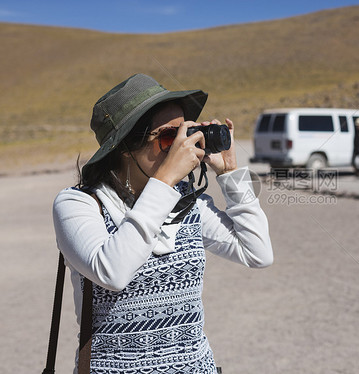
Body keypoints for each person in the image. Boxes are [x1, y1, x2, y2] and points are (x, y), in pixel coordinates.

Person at [52, 73, 273, 374]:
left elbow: (257, 253)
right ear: (125, 148)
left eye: (187, 133)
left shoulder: (185, 202)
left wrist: (230, 173)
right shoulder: (79, 204)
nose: (183, 146)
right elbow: (112, 272)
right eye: (170, 137)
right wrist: (166, 179)